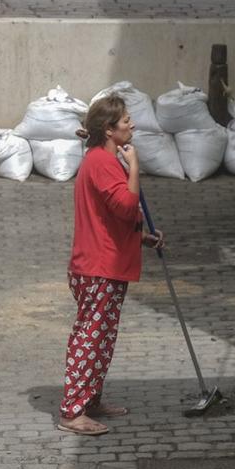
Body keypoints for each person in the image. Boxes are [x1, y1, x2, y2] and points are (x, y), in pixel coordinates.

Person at [57, 93, 160, 436]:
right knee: (90, 336)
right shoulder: (101, 162)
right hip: (97, 267)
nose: (131, 125)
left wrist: (140, 237)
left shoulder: (101, 160)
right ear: (108, 129)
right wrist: (134, 166)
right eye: (125, 121)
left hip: (106, 262)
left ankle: (90, 399)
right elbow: (127, 206)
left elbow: (112, 215)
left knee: (103, 337)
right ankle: (73, 410)